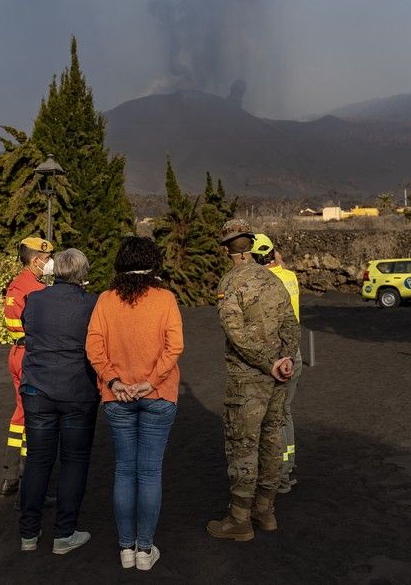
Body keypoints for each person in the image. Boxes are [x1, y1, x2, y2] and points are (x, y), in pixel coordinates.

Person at [86, 236, 183, 572]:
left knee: (125, 470)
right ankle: (145, 549)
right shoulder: (165, 299)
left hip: (117, 397)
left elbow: (94, 347)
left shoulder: (105, 300)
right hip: (157, 395)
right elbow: (174, 347)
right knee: (149, 472)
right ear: (153, 263)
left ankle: (126, 548)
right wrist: (150, 382)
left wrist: (114, 381)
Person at [207, 220, 299, 541]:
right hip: (277, 378)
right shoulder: (273, 281)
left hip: (248, 379)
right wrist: (285, 360)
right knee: (272, 439)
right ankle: (266, 510)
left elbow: (235, 332)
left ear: (228, 249)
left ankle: (239, 519)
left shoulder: (230, 283)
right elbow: (291, 325)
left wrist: (268, 362)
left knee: (243, 445)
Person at [18, 248, 99, 555]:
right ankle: (64, 533)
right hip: (78, 389)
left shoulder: (35, 299)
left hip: (38, 389)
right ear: (83, 273)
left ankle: (28, 533)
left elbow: (28, 330)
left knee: (39, 460)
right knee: (74, 461)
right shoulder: (92, 303)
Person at [0, 236, 54, 498]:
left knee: (21, 414)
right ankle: (31, 479)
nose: (49, 262)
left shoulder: (16, 285)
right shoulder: (35, 289)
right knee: (38, 415)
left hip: (18, 354)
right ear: (35, 260)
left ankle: (11, 475)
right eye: (46, 258)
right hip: (33, 356)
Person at [250, 233, 303, 494]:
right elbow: (280, 265)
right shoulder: (289, 276)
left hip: (279, 355)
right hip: (295, 352)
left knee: (274, 417)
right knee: (286, 413)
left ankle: (279, 475)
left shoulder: (266, 283)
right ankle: (288, 466)